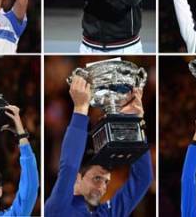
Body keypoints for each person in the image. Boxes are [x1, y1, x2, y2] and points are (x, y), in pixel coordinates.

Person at [44, 76, 152, 215]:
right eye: (97, 178)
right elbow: (69, 167)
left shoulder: (105, 213)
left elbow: (143, 178)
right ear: (77, 179)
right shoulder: (57, 209)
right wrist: (80, 109)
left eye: (106, 182)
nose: (102, 188)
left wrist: (134, 123)